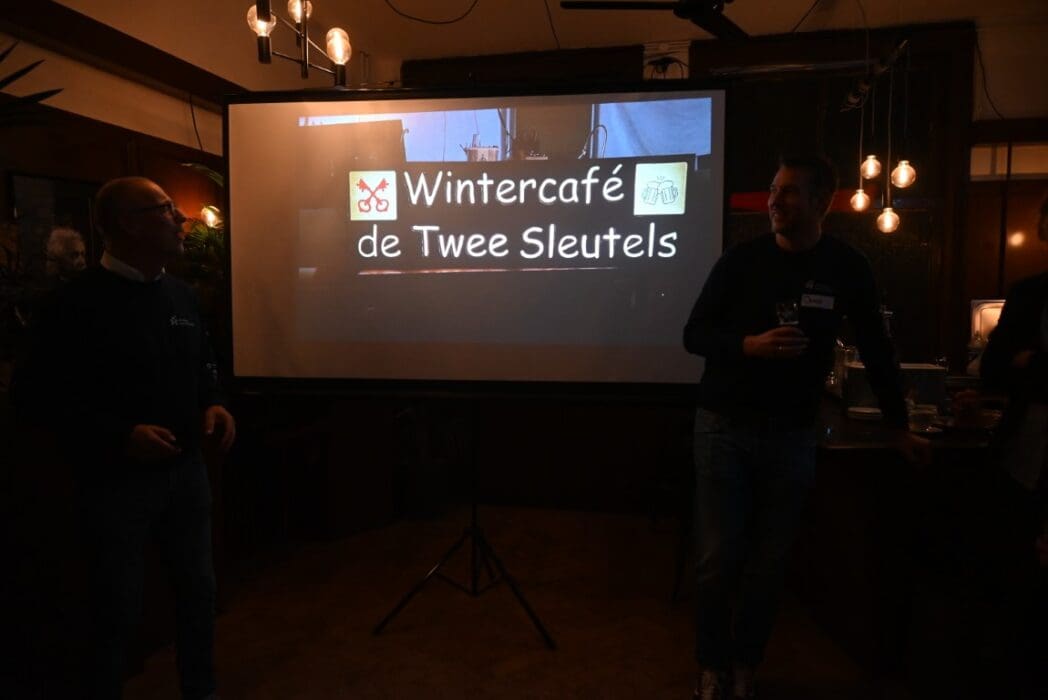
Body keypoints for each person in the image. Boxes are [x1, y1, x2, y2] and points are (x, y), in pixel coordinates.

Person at [682, 154, 928, 700]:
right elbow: (693, 334)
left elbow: (876, 348)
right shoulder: (740, 261)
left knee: (770, 565)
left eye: (789, 191)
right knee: (717, 561)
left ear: (822, 202)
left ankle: (746, 665)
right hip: (724, 426)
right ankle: (712, 666)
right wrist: (748, 345)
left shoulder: (846, 266)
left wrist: (898, 425)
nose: (775, 200)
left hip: (792, 433)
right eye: (774, 189)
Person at [13, 176, 235, 699]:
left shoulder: (180, 294)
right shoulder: (72, 305)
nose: (180, 219)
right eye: (164, 209)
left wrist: (214, 401)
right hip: (116, 482)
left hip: (186, 472)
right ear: (128, 225)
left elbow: (203, 363)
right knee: (114, 607)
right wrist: (119, 435)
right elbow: (35, 399)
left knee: (198, 594)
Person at [979, 193, 1047, 697]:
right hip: (1024, 458)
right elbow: (992, 371)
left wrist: (1035, 364)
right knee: (1017, 585)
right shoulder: (1028, 294)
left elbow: (1015, 368)